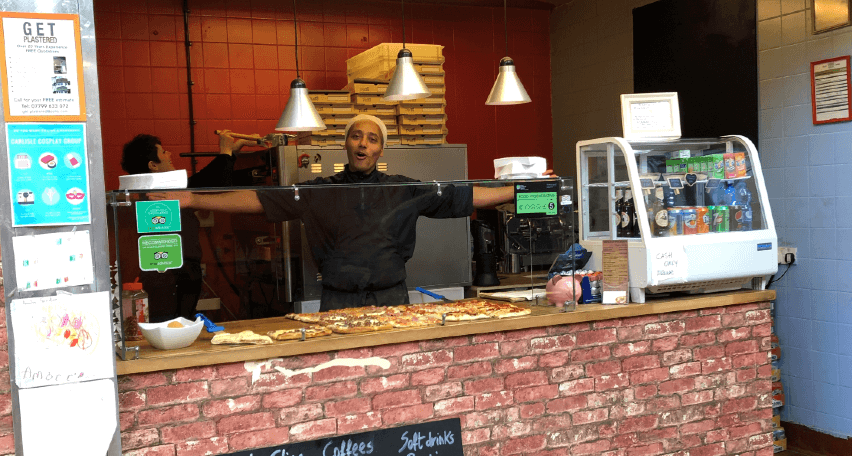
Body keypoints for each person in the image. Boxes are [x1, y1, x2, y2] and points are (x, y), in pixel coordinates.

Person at [153, 115, 544, 311]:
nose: (363, 143)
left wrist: (524, 190)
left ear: (380, 150)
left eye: (372, 138)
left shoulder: (403, 189)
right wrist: (191, 200)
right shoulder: (319, 192)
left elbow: (466, 196)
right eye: (356, 136)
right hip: (336, 302)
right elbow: (258, 199)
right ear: (345, 145)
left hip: (392, 300)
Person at [122, 131, 257, 321]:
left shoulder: (167, 192)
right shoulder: (156, 198)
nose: (169, 154)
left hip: (183, 274)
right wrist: (225, 152)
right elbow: (215, 184)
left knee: (181, 323)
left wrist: (228, 153)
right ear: (153, 165)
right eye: (163, 152)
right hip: (168, 278)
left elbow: (205, 180)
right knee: (171, 324)